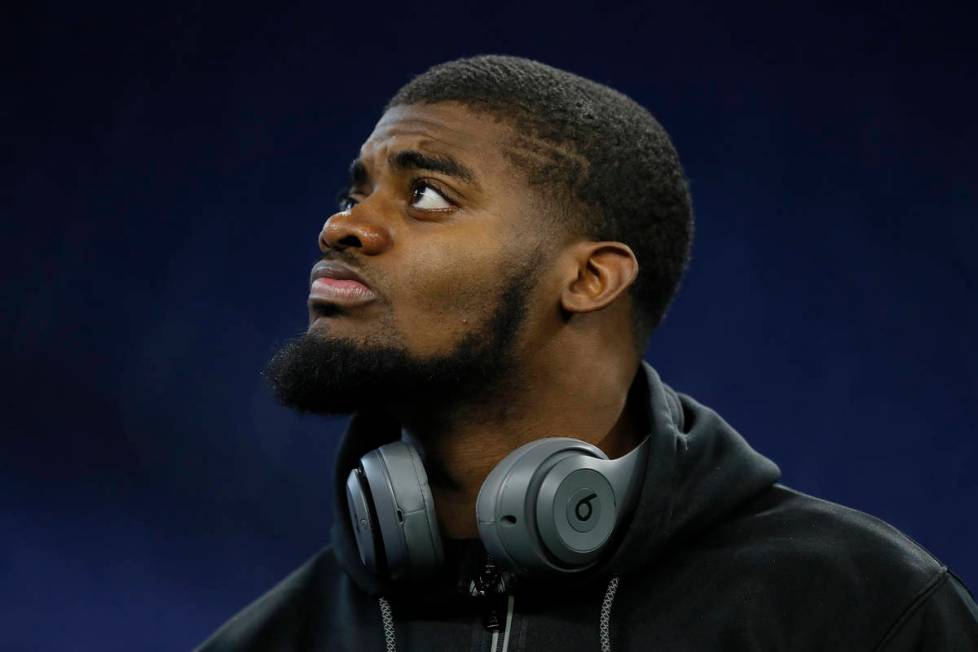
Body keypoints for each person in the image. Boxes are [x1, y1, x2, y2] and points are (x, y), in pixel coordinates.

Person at [196, 55, 978, 651]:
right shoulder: (274, 638)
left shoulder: (860, 610)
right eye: (350, 194)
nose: (342, 228)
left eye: (427, 194)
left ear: (590, 277)